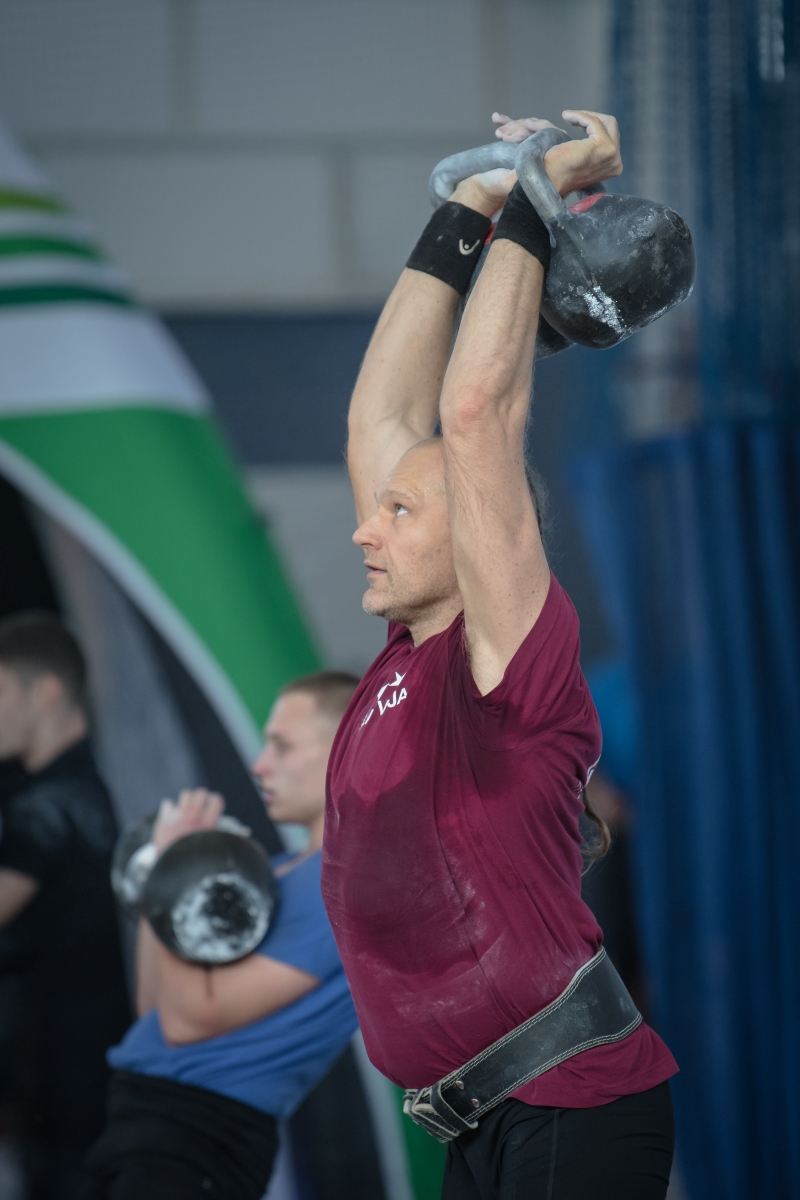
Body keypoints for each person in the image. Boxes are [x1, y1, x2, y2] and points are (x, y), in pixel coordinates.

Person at [322, 110, 678, 1199]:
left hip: (571, 1103)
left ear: (476, 536)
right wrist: (469, 208)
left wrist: (533, 193)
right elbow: (379, 415)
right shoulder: (406, 655)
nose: (364, 528)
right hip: (476, 1124)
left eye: (398, 512)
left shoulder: (506, 665)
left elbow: (472, 413)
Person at [85, 671, 360, 1200]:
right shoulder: (278, 871)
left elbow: (189, 1022)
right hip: (142, 1111)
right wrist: (169, 877)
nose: (260, 765)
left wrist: (180, 868)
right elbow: (155, 1008)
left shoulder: (344, 881)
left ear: (348, 747)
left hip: (200, 1130)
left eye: (282, 746)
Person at [0, 611, 131, 1200]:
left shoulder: (45, 808)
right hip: (96, 1052)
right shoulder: (103, 786)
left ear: (46, 692)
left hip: (63, 1064)